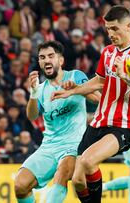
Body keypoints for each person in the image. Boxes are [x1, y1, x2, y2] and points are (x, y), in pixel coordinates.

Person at [51, 5, 130, 202]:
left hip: (123, 125)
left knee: (89, 161)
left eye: (115, 29)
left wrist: (125, 76)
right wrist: (73, 90)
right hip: (99, 121)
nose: (110, 34)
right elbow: (99, 81)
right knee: (77, 180)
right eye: (108, 29)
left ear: (129, 26)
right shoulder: (108, 52)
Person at [13, 41, 100, 203]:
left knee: (61, 175)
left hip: (75, 144)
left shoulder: (75, 76)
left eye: (51, 56)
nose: (47, 60)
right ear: (39, 63)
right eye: (42, 57)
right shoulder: (41, 89)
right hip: (49, 146)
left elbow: (97, 100)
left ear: (60, 60)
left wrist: (76, 89)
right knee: (20, 185)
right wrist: (33, 93)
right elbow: (32, 116)